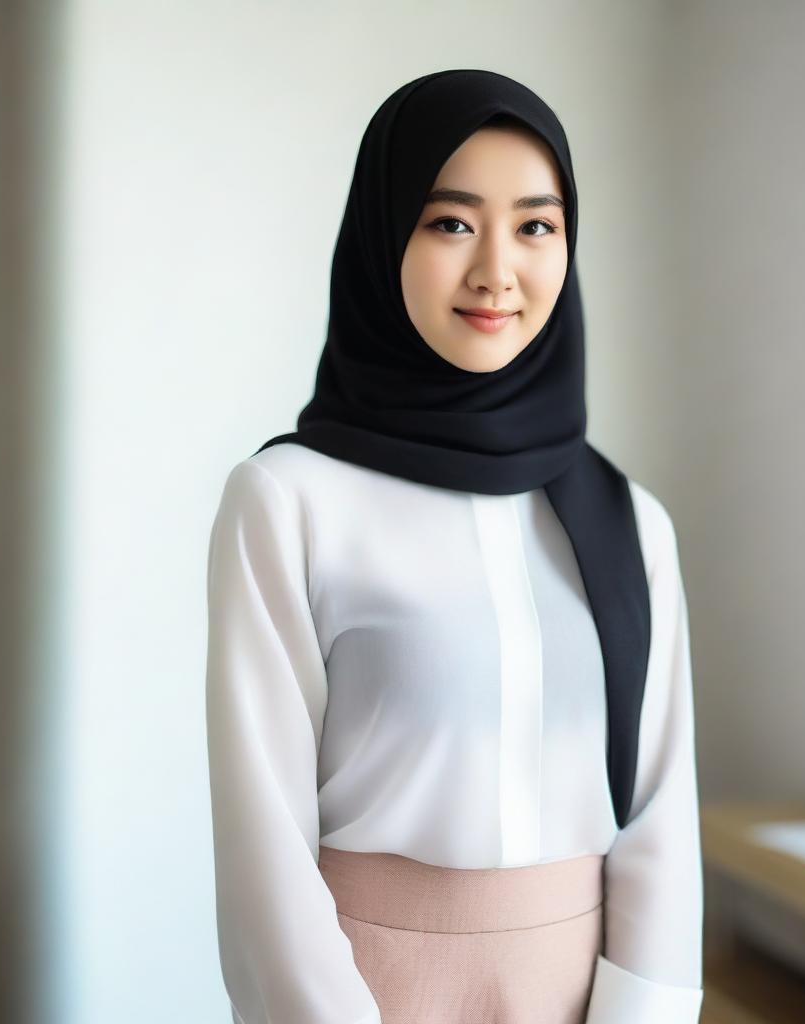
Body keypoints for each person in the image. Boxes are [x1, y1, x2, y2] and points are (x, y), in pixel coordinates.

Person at [205, 69, 704, 1024]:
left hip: (588, 996)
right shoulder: (288, 501)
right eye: (451, 222)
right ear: (384, 232)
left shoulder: (628, 519)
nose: (496, 273)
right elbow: (263, 838)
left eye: (535, 225)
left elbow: (661, 815)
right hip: (367, 990)